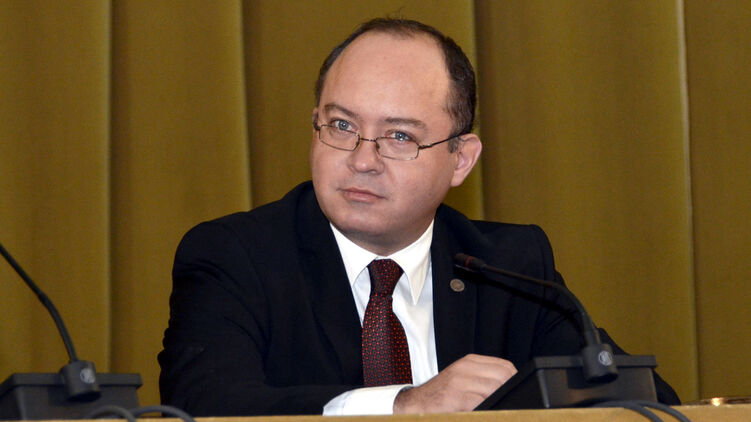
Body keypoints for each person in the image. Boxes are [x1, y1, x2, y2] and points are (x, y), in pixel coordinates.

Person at [158, 18, 679, 416]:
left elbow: (647, 402)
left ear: (460, 160)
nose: (363, 159)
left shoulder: (509, 267)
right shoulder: (236, 257)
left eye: (400, 136)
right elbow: (205, 406)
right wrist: (406, 405)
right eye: (341, 125)